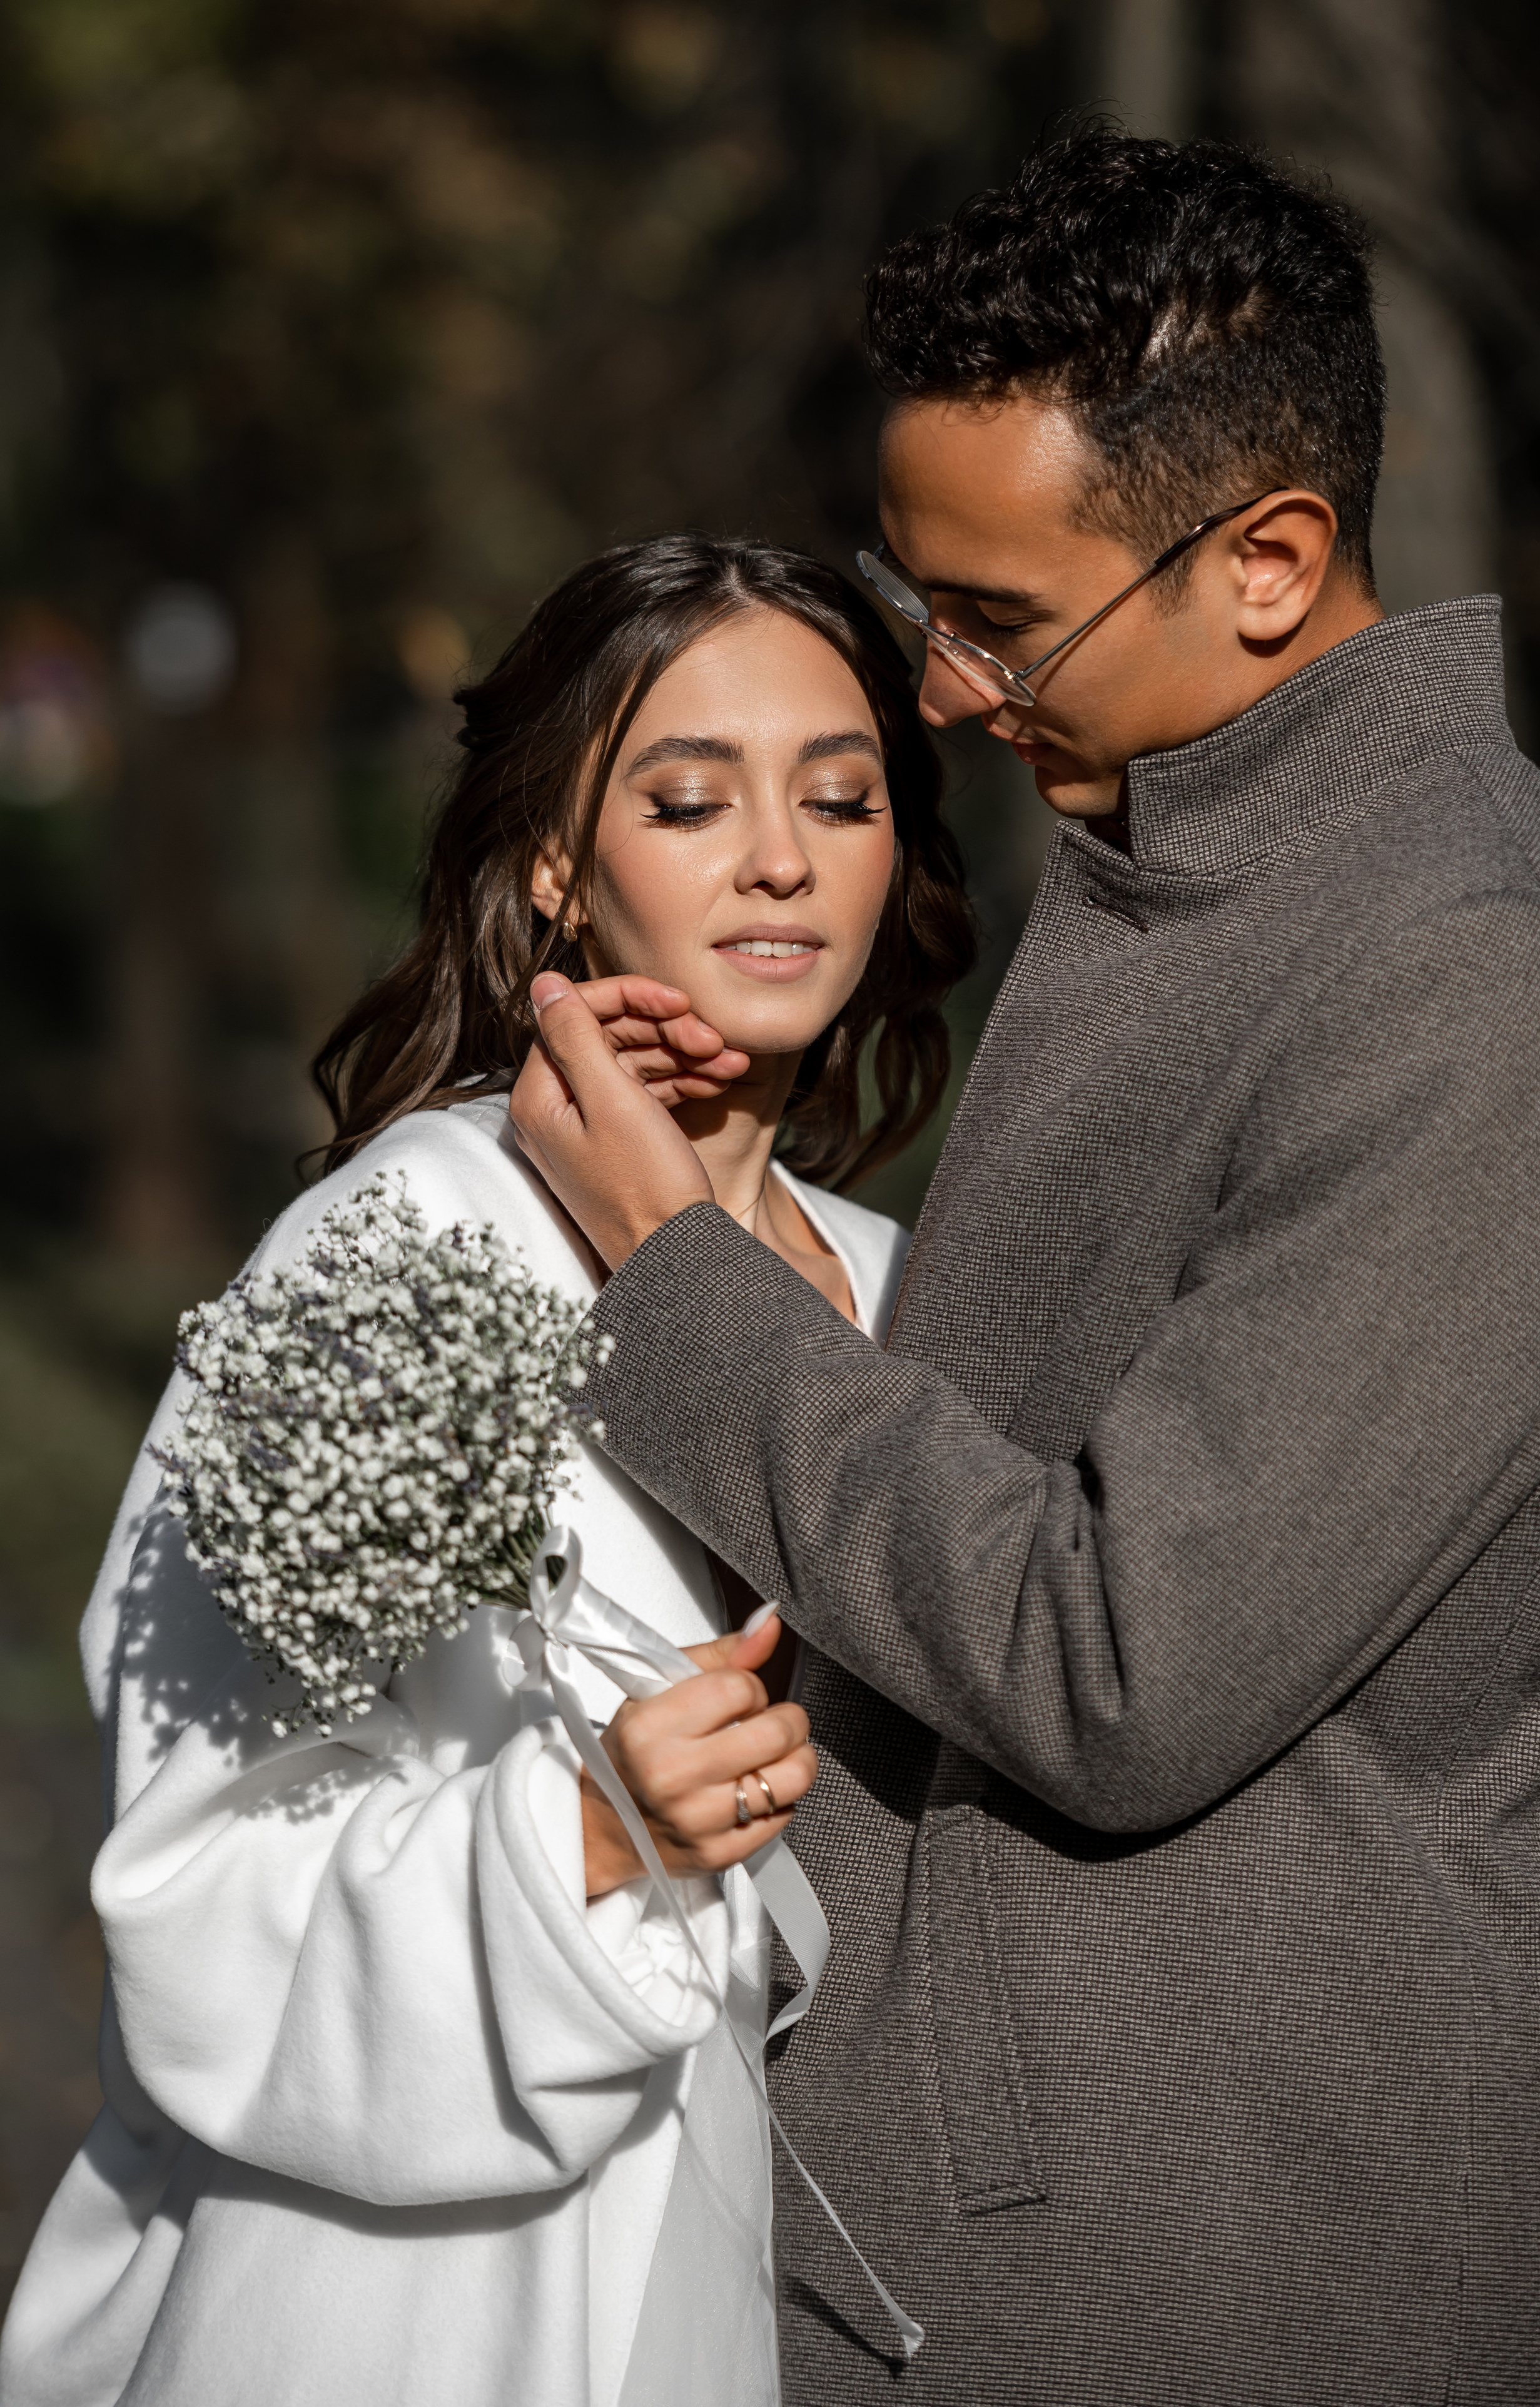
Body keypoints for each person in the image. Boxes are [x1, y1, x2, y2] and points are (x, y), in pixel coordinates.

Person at [508, 133, 1540, 2404]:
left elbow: (1124, 1662)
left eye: (1002, 623)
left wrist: (672, 1282)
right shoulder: (1209, 862)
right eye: (929, 605)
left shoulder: (1481, 987)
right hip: (1080, 2217)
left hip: (1235, 2257)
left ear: (1275, 560)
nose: (940, 694)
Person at [0, 534, 975, 2407]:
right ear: (556, 868)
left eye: (841, 797)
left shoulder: (915, 1292)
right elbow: (190, 1873)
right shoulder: (400, 1255)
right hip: (431, 2307)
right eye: (690, 799)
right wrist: (593, 1834)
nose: (782, 854)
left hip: (846, 2290)